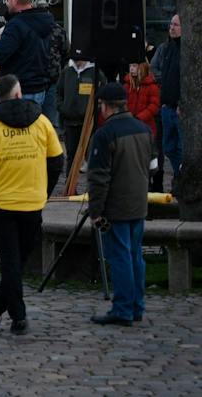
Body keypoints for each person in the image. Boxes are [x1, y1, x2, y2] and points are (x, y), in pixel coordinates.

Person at [0, 74, 64, 335]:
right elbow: (57, 161)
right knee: (18, 261)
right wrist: (43, 189)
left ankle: (9, 314)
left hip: (3, 202)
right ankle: (2, 313)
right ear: (19, 95)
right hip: (33, 201)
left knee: (11, 262)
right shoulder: (42, 121)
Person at [85, 81, 153, 325]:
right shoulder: (143, 129)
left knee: (120, 256)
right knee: (135, 255)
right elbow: (151, 165)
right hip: (138, 201)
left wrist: (95, 211)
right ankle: (136, 305)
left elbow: (99, 177)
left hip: (117, 205)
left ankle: (123, 307)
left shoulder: (105, 134)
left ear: (105, 106)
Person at [0, 0, 62, 104]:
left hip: (18, 90)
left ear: (14, 0)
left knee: (14, 123)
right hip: (39, 89)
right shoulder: (45, 22)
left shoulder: (17, 25)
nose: (6, 4)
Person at [151, 14, 182, 181]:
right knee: (168, 148)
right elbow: (154, 69)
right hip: (166, 107)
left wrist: (182, 103)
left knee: (182, 147)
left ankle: (181, 178)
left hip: (179, 109)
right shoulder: (165, 48)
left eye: (176, 25)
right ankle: (180, 175)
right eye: (171, 24)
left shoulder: (188, 50)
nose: (171, 27)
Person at [124, 58, 163, 189]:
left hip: (146, 128)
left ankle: (149, 184)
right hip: (130, 126)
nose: (131, 69)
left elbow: (154, 106)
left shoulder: (152, 86)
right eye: (130, 66)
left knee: (148, 157)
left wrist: (139, 118)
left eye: (134, 65)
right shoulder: (127, 85)